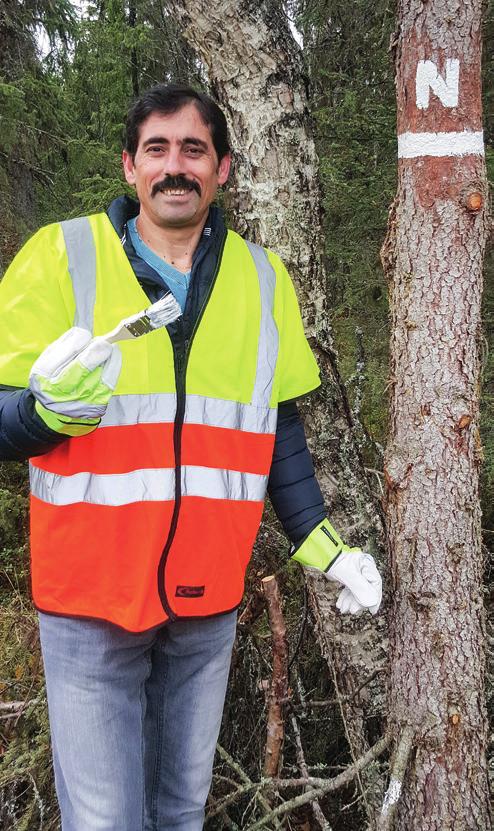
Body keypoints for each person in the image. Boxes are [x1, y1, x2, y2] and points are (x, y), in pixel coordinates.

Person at [0, 84, 382, 830]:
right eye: (157, 149)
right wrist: (41, 412)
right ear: (130, 166)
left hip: (205, 599)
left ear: (223, 168)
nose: (175, 167)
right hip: (90, 597)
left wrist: (327, 549)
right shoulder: (61, 257)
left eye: (193, 150)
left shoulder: (266, 280)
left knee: (179, 811)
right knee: (106, 819)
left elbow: (279, 435)